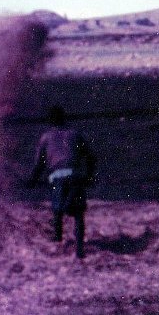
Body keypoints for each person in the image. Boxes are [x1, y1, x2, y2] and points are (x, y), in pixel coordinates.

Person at [28, 106, 96, 258]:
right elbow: (91, 158)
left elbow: (39, 164)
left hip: (57, 177)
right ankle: (79, 250)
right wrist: (89, 176)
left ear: (50, 121)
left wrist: (32, 181)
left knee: (57, 212)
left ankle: (57, 239)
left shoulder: (46, 138)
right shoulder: (75, 134)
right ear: (64, 118)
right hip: (75, 175)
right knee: (78, 215)